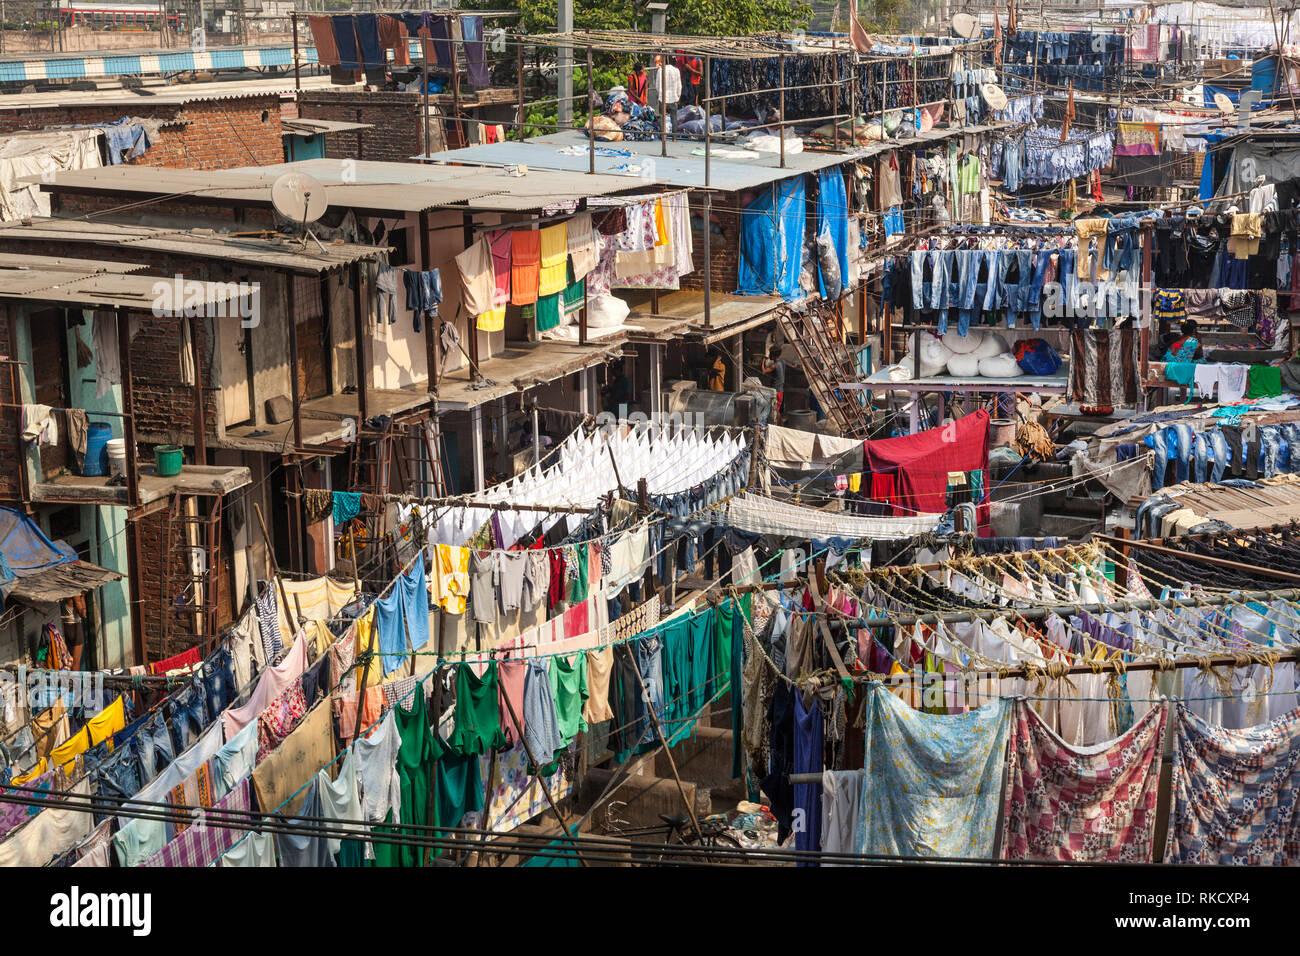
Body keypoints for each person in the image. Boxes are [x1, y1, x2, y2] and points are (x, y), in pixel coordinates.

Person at [762, 345, 786, 416]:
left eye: (770, 354)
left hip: (776, 392)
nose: (769, 355)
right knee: (777, 410)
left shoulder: (774, 365)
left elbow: (763, 371)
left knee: (775, 411)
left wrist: (763, 360)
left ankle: (777, 425)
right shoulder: (782, 361)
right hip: (781, 390)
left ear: (773, 355)